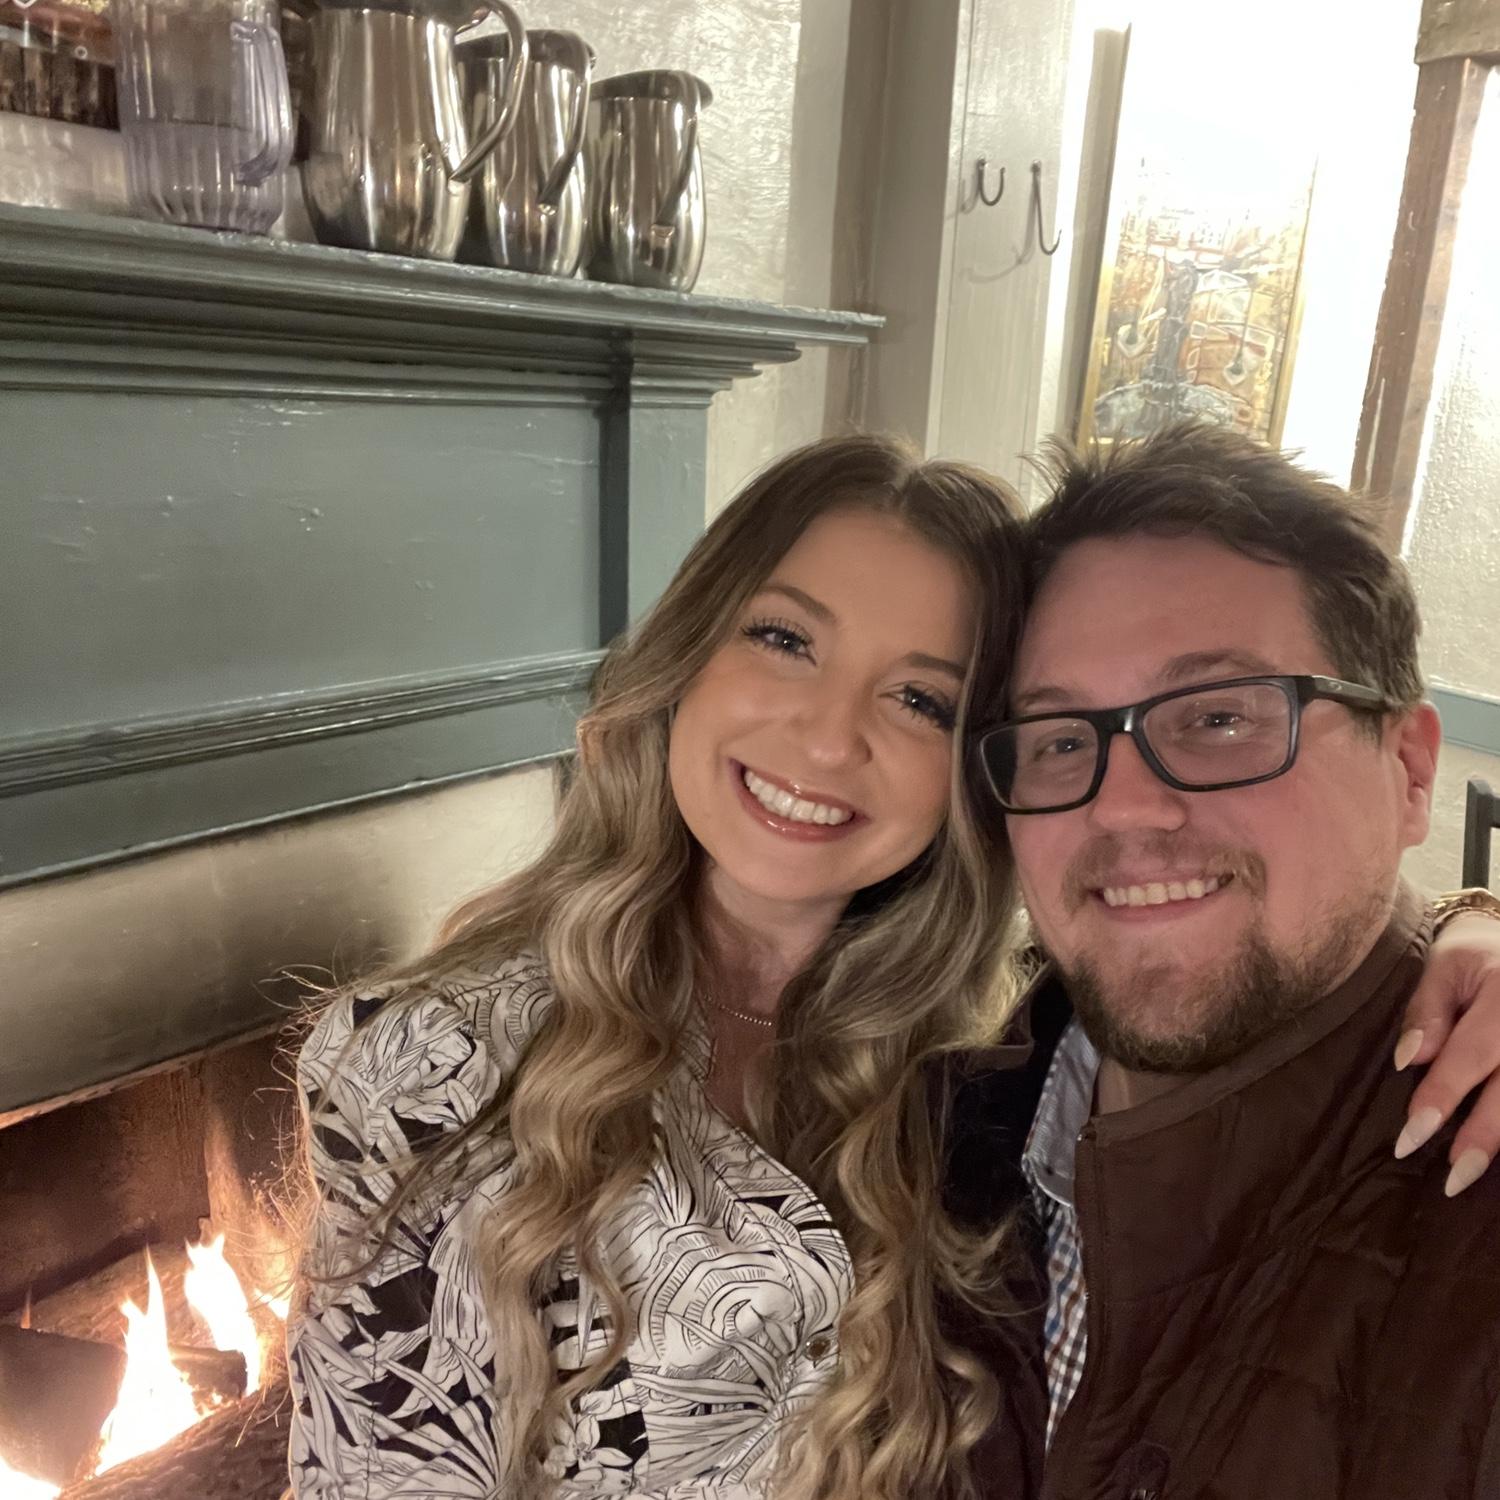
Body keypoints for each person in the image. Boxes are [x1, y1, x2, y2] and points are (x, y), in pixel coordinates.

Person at [287, 433, 1500, 1500]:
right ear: (686, 656)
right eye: (783, 639)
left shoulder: (978, 1068)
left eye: (921, 699)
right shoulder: (438, 1060)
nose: (828, 738)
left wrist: (1457, 926)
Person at [959, 420, 1500, 1499]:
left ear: (1408, 770)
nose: (1125, 806)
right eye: (1060, 739)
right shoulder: (921, 1139)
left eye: (1218, 717)